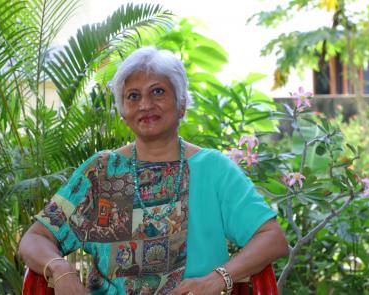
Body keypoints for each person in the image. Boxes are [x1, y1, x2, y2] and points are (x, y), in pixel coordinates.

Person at [18, 46, 289, 295]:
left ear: (182, 103)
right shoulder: (101, 171)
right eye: (133, 96)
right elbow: (34, 239)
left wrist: (219, 278)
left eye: (158, 91)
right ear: (123, 112)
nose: (145, 104)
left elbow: (272, 239)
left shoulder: (213, 169)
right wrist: (60, 268)